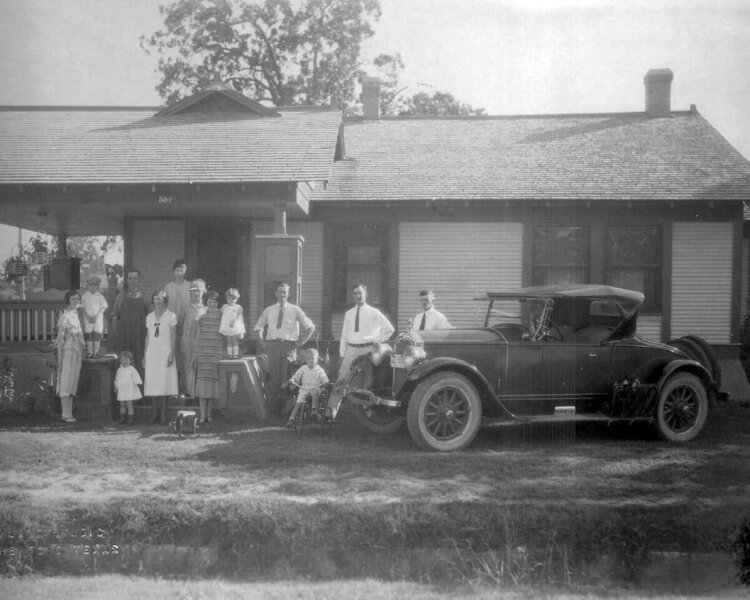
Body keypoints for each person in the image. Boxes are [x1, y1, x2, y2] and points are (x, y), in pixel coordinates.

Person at [328, 284, 394, 418]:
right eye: (355, 293)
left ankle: (368, 415)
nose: (358, 296)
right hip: (351, 349)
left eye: (360, 293)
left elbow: (389, 329)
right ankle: (329, 414)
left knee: (367, 382)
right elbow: (344, 334)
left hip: (368, 349)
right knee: (342, 381)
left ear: (366, 294)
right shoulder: (349, 313)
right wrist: (342, 353)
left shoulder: (374, 312)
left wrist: (377, 341)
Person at [253, 282, 315, 417]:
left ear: (288, 294)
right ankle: (274, 409)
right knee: (273, 376)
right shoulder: (269, 310)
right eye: (280, 292)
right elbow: (258, 327)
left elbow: (310, 327)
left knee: (288, 377)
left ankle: (287, 410)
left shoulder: (295, 310)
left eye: (284, 292)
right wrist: (263, 343)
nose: (282, 295)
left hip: (289, 346)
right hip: (273, 345)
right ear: (276, 293)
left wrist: (302, 341)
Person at [143, 290, 178, 425]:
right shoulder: (149, 317)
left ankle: (163, 414)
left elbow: (174, 336)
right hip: (152, 352)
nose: (157, 301)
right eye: (155, 299)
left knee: (164, 382)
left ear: (165, 301)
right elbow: (148, 337)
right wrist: (145, 355)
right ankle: (154, 413)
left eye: (160, 299)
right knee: (153, 382)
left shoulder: (171, 316)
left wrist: (172, 354)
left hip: (165, 352)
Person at [55, 289, 86, 423]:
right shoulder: (65, 316)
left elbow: (80, 334)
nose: (76, 301)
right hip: (68, 351)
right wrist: (60, 358)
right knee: (66, 381)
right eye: (73, 299)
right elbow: (60, 339)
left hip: (77, 351)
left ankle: (69, 413)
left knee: (73, 381)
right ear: (68, 300)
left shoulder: (76, 315)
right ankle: (64, 414)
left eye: (77, 299)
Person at [194, 290, 224, 425]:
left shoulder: (222, 317)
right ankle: (202, 415)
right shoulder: (201, 318)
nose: (212, 304)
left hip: (215, 352)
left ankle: (209, 415)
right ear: (207, 302)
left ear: (219, 303)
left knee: (212, 384)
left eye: (215, 301)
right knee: (202, 384)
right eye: (210, 301)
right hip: (203, 352)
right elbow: (198, 335)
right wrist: (197, 351)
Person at [113, 269, 149, 375]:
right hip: (124, 336)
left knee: (139, 363)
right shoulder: (121, 297)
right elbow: (115, 316)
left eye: (135, 278)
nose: (132, 280)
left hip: (140, 337)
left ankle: (139, 390)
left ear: (139, 280)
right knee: (124, 363)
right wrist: (116, 336)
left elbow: (150, 318)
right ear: (127, 280)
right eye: (130, 278)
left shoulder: (145, 297)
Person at [163, 258, 191, 394]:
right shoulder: (168, 287)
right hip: (171, 326)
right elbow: (163, 306)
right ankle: (173, 388)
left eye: (182, 270)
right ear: (174, 271)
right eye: (177, 270)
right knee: (173, 354)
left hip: (186, 326)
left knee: (185, 355)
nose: (180, 272)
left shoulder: (189, 286)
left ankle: (186, 388)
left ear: (185, 271)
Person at [286, 348, 329, 428]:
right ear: (305, 359)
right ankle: (291, 419)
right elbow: (296, 377)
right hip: (305, 388)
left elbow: (324, 377)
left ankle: (314, 409)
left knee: (315, 392)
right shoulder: (303, 368)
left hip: (315, 387)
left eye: (313, 358)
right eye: (308, 358)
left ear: (317, 360)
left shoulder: (319, 370)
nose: (310, 360)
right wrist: (292, 380)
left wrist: (325, 381)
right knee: (299, 402)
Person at [182, 279, 207, 397]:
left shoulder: (206, 310)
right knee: (189, 365)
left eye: (198, 291)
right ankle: (189, 393)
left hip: (202, 343)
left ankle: (200, 394)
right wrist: (184, 343)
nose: (195, 293)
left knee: (201, 366)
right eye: (192, 291)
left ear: (203, 292)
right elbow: (184, 328)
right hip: (189, 342)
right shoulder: (187, 310)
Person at [81, 276, 108, 358]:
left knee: (96, 334)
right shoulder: (84, 296)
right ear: (87, 286)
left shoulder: (100, 296)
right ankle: (89, 352)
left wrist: (96, 316)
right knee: (89, 335)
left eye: (95, 285)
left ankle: (96, 352)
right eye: (91, 285)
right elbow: (82, 308)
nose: (93, 287)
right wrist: (87, 317)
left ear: (98, 286)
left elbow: (103, 307)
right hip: (88, 319)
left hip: (97, 319)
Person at [114, 350, 142, 426]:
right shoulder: (119, 370)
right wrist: (116, 387)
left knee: (129, 405)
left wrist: (137, 382)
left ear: (130, 361)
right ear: (120, 361)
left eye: (126, 360)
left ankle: (130, 420)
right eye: (122, 360)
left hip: (129, 390)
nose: (124, 362)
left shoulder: (132, 370)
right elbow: (117, 379)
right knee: (122, 404)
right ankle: (122, 418)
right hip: (122, 390)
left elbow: (136, 377)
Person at [219, 287, 245, 358]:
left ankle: (235, 355)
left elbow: (238, 317)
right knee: (229, 340)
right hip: (227, 326)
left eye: (233, 299)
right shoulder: (224, 306)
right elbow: (220, 313)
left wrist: (233, 322)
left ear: (236, 299)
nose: (230, 300)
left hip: (235, 326)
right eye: (228, 298)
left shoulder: (238, 307)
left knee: (234, 340)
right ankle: (229, 355)